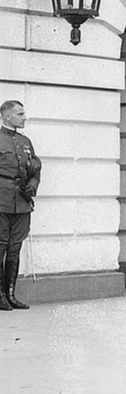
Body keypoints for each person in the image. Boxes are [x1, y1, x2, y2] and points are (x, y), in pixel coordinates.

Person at [0, 101, 41, 311]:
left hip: (22, 202)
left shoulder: (25, 141)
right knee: (0, 247)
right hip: (2, 201)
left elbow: (36, 167)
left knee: (15, 248)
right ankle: (0, 296)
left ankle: (10, 294)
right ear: (7, 116)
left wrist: (32, 186)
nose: (24, 117)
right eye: (20, 113)